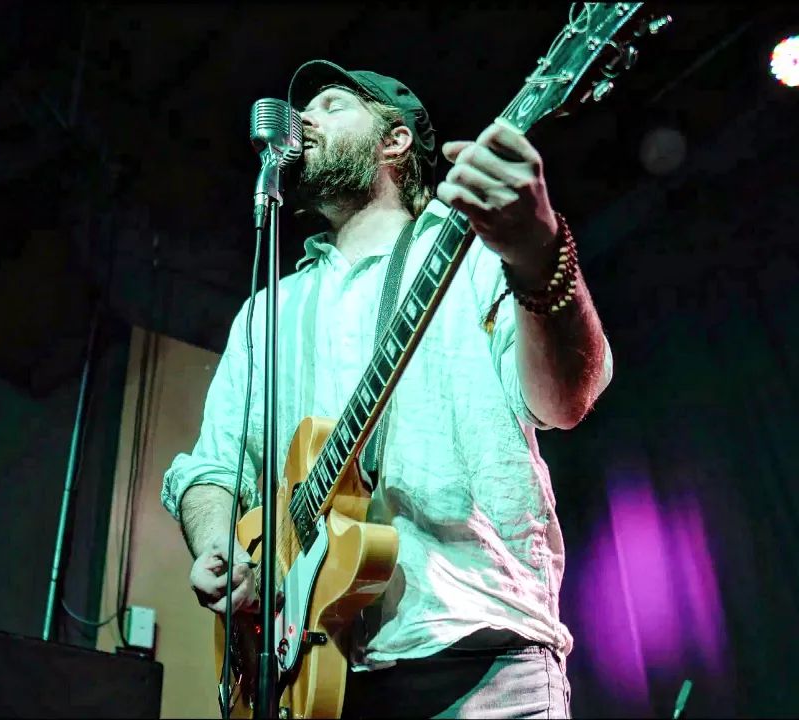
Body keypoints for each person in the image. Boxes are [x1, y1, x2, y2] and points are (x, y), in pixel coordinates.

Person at [161, 59, 613, 719]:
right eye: (303, 110)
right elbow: (212, 468)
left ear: (395, 141)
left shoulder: (475, 256)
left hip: (479, 653)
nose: (303, 119)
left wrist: (539, 254)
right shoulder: (268, 311)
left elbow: (567, 400)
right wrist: (217, 545)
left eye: (332, 105)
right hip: (315, 679)